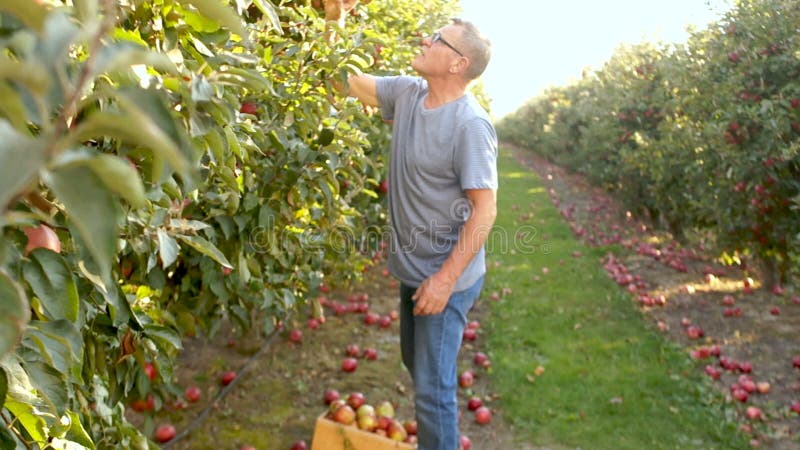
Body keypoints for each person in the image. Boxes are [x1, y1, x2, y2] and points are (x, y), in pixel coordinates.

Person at [324, 2, 498, 449]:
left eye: (437, 38)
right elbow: (337, 78)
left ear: (458, 63)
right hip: (414, 269)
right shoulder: (406, 94)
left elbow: (485, 212)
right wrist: (334, 18)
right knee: (417, 367)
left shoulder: (470, 125)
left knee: (433, 392)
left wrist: (443, 281)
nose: (425, 39)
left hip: (446, 278)